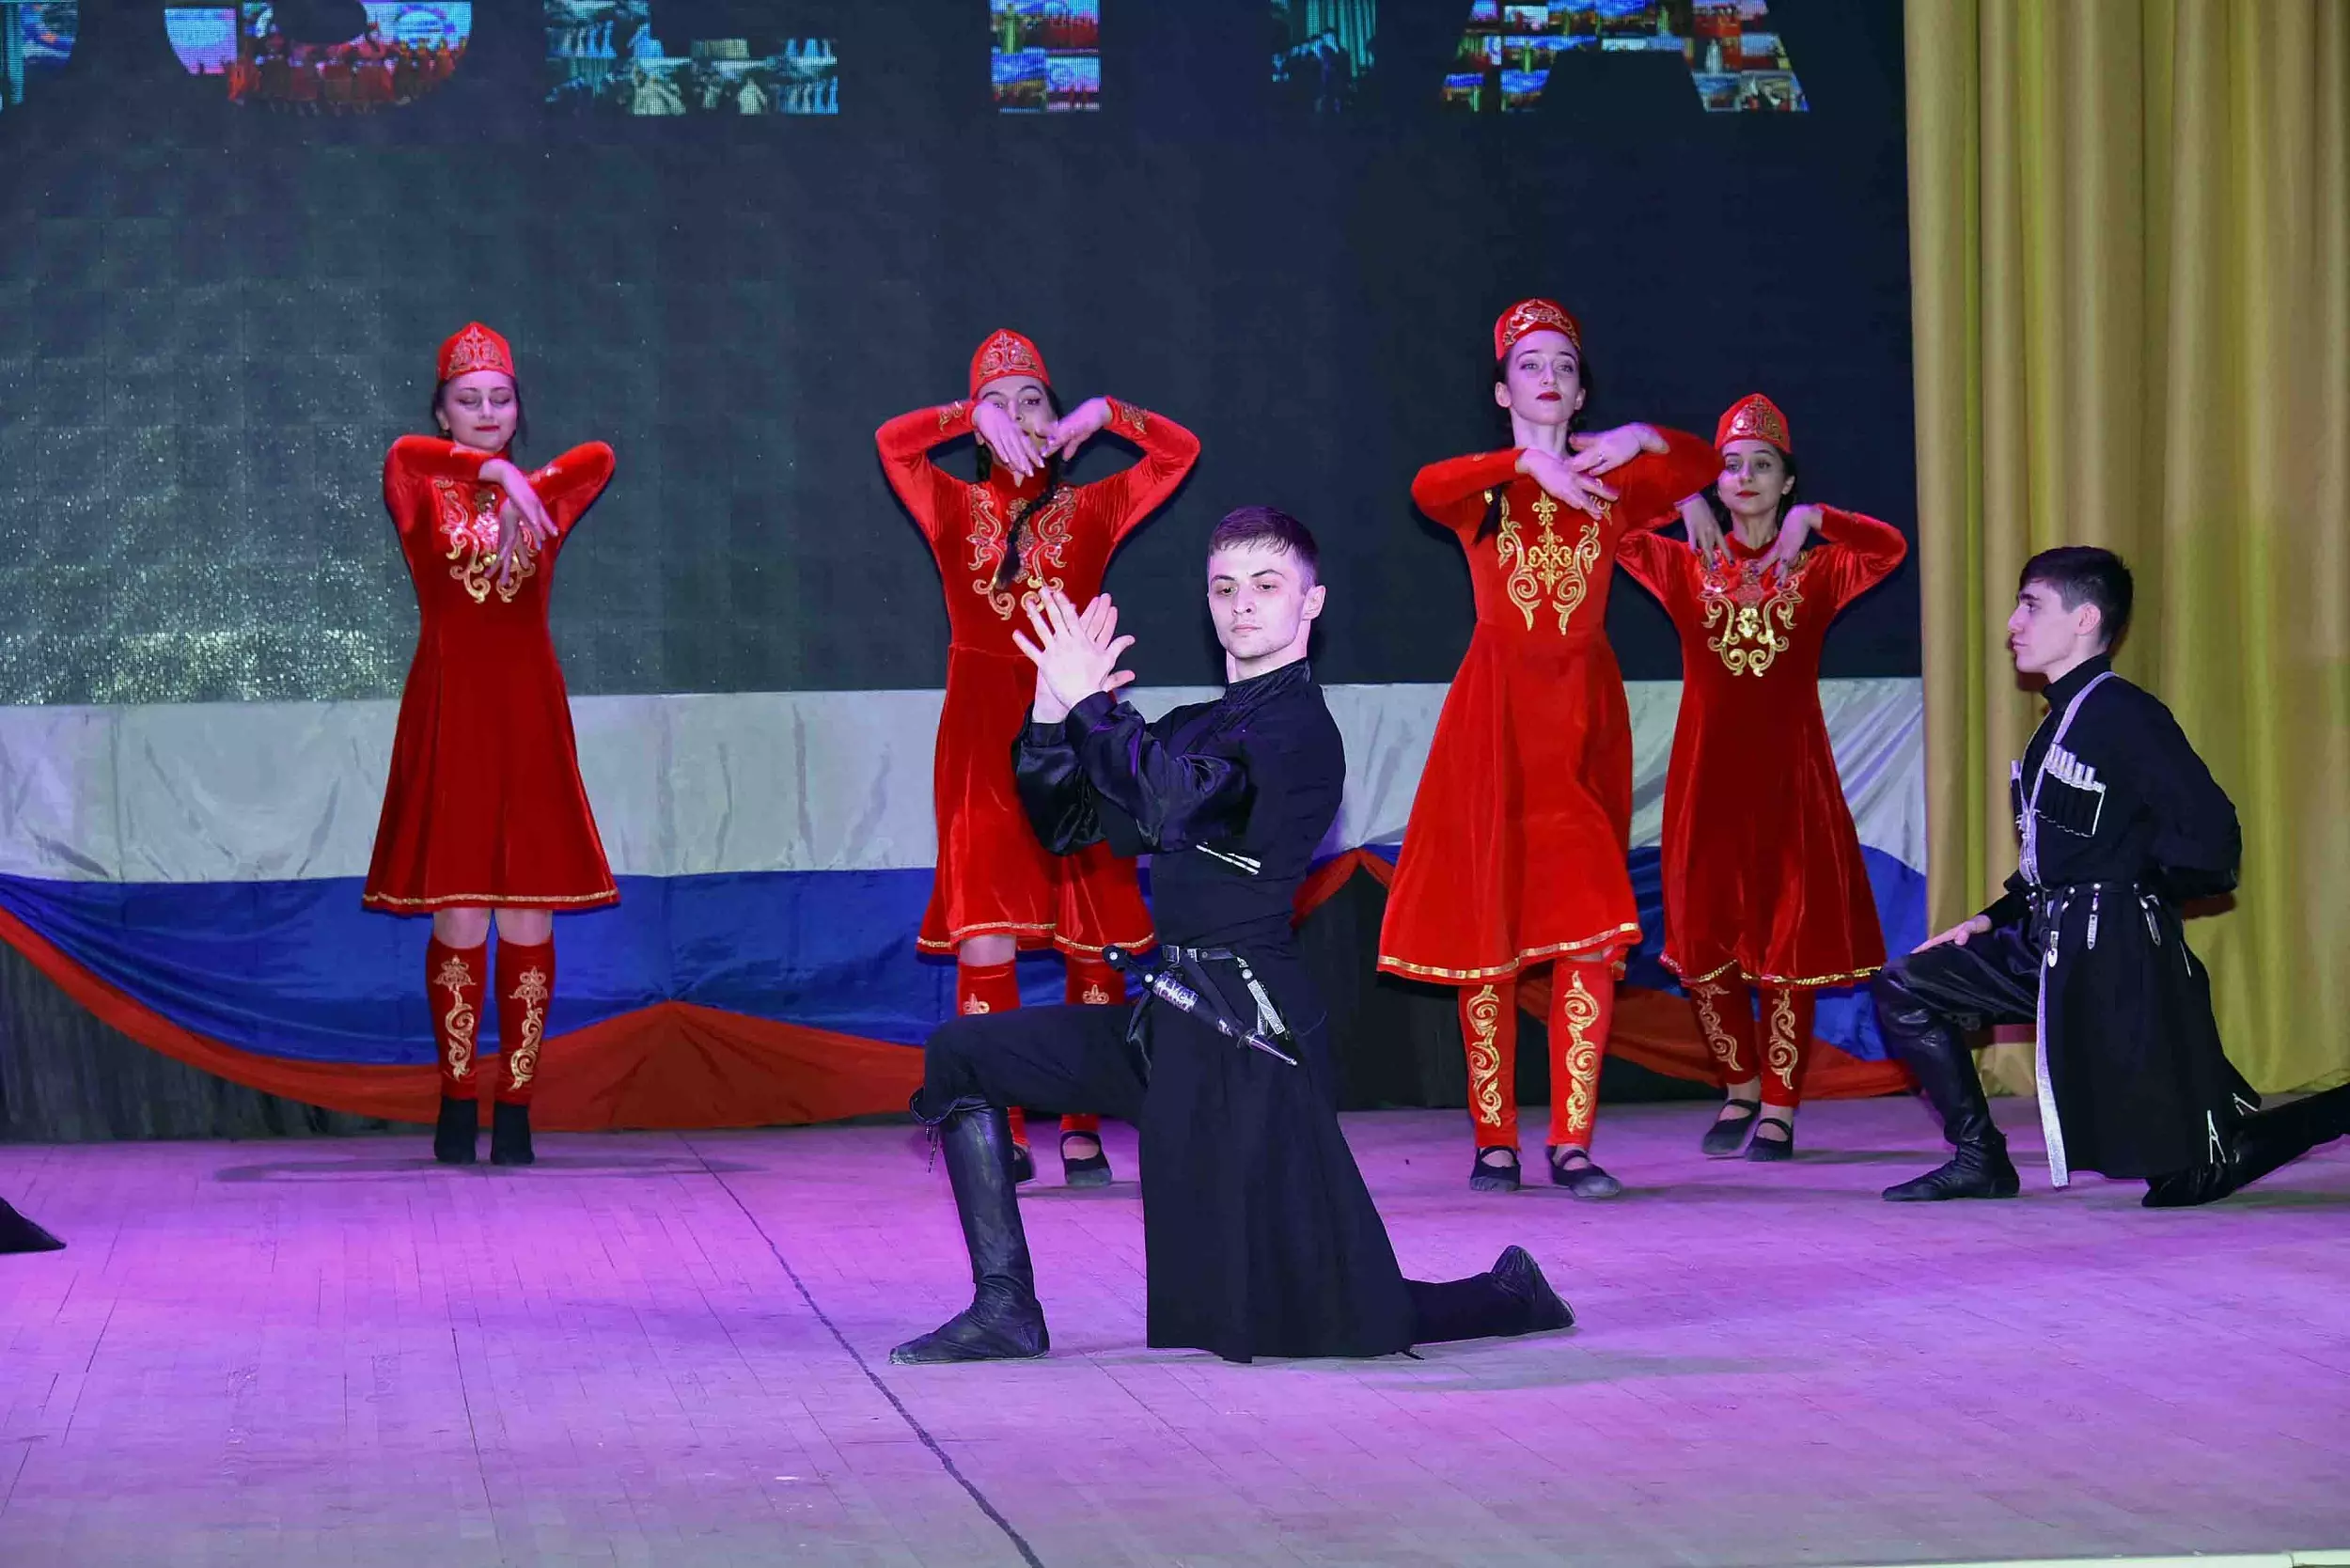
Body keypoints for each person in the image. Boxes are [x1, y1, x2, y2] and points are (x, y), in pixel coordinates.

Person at [891, 510, 1575, 1365]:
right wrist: (1049, 713)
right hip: (1169, 1022)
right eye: (1224, 588)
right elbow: (1068, 825)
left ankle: (1509, 1295)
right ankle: (1005, 1309)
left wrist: (1096, 707)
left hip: (1250, 1034)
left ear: (1310, 603)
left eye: (1266, 585)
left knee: (1330, 1313)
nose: (1241, 604)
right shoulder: (1190, 726)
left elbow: (1171, 803)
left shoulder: (1300, 733)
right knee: (962, 1053)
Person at [1873, 547, 2350, 1205]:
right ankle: (1981, 1159)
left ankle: (2340, 1109)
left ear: (2084, 619)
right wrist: (1988, 919)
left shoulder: (2126, 715)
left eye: (2031, 605)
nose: (2013, 623)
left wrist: (2130, 896)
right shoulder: (2059, 724)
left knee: (2186, 1180)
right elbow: (2059, 860)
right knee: (1908, 984)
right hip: (2049, 945)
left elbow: (2213, 840)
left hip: (2118, 956)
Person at [1378, 299, 1720, 1197]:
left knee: (1593, 930)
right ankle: (1495, 1139)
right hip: (1493, 722)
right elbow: (1426, 486)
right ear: (1504, 392)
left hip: (1578, 721)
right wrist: (1526, 461)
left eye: (1565, 366)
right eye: (1530, 365)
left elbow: (1703, 465)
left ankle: (1572, 1141)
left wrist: (1641, 438)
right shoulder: (1484, 491)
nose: (1549, 377)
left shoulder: (1614, 484)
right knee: (1488, 933)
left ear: (1580, 394)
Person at [876, 331, 1200, 1186]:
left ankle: (1083, 1125)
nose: (1018, 415)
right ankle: (1002, 1127)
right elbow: (893, 444)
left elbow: (1178, 453)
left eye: (1034, 400)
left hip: (1078, 726)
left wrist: (1107, 415)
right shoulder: (950, 502)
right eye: (1000, 403)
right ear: (980, 429)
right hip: (981, 734)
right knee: (985, 933)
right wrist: (965, 411)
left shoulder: (1094, 506)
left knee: (1092, 936)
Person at [1617, 394, 1906, 1161]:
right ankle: (1739, 1088)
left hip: (1791, 783)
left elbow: (1889, 549)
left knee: (1788, 948)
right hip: (1705, 782)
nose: (1744, 477)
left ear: (1787, 481)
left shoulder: (1820, 569)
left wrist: (1817, 520)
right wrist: (1679, 495)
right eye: (1730, 466)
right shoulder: (1685, 563)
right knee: (1703, 944)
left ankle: (1779, 1106)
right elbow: (1615, 526)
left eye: (1763, 465)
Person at [364, 322, 619, 1168]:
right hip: (452, 708)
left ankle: (515, 1107)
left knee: (528, 909)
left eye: (500, 400)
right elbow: (403, 455)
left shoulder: (546, 496)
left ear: (517, 409)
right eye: (467, 400)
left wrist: (523, 484)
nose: (486, 411)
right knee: (462, 911)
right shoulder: (418, 489)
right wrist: (493, 474)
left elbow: (598, 459)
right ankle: (454, 1099)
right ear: (442, 411)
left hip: (527, 709)